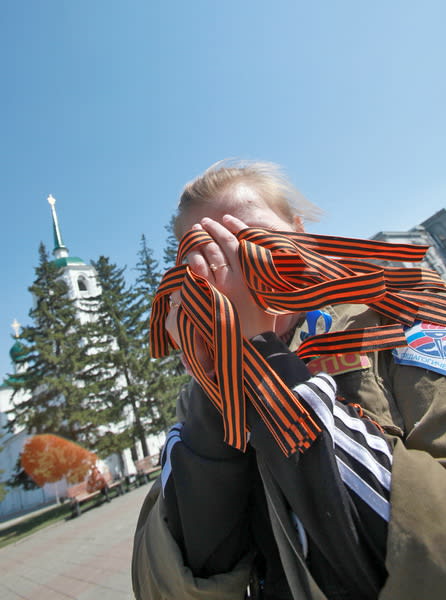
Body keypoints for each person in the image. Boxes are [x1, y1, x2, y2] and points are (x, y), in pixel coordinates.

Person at [132, 160, 446, 600]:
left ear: (299, 233)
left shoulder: (399, 318)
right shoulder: (199, 396)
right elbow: (166, 585)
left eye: (256, 241)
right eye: (210, 258)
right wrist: (217, 388)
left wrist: (265, 356)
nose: (239, 272)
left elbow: (430, 545)